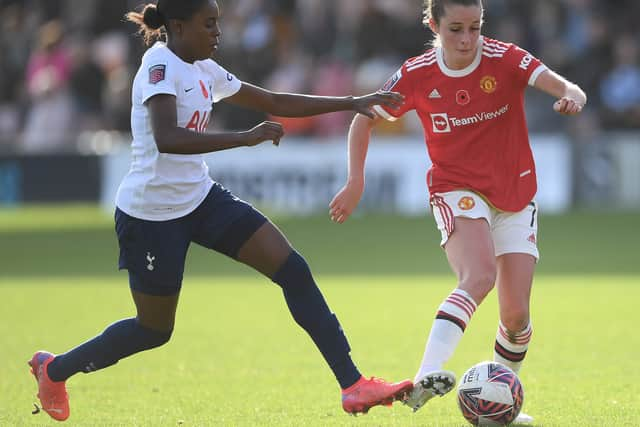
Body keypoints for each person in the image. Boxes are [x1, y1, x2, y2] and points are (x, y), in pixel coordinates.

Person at [27, 0, 414, 421]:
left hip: (200, 198)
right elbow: (167, 138)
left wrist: (352, 101)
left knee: (293, 270)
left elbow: (272, 98)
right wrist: (244, 139)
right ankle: (55, 369)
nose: (217, 32)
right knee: (154, 330)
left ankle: (353, 385)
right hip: (151, 215)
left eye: (218, 23)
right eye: (208, 24)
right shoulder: (159, 65)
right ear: (177, 25)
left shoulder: (203, 67)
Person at [329, 0, 586, 423]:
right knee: (479, 275)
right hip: (456, 189)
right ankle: (425, 376)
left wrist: (572, 98)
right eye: (456, 30)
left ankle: (499, 400)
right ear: (433, 24)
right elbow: (364, 119)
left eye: (474, 27)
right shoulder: (416, 74)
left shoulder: (506, 58)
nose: (467, 40)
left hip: (515, 193)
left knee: (517, 316)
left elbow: (568, 87)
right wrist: (356, 181)